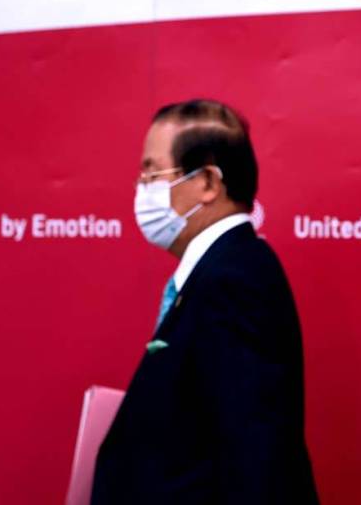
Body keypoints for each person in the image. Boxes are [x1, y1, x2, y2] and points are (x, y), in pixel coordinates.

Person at [92, 99, 319, 504]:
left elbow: (256, 453)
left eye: (153, 173)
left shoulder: (234, 281)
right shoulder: (218, 271)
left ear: (210, 183)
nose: (142, 189)